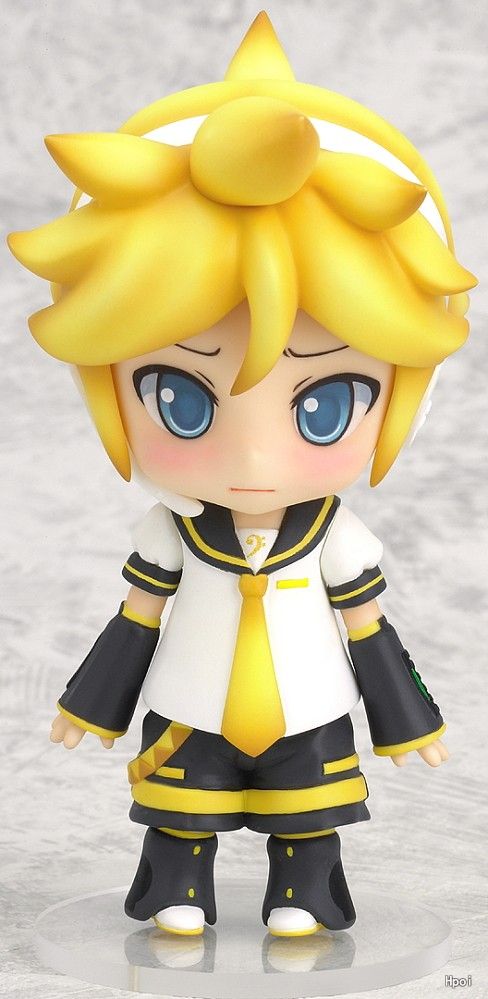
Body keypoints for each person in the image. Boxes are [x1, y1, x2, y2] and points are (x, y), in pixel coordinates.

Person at [8, 12, 476, 938]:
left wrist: (407, 719)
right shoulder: (170, 533)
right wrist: (92, 706)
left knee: (310, 819)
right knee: (181, 815)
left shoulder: (338, 538)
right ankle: (175, 883)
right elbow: (135, 622)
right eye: (181, 399)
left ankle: (306, 888)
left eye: (325, 404)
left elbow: (371, 631)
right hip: (190, 715)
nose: (254, 459)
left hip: (308, 713)